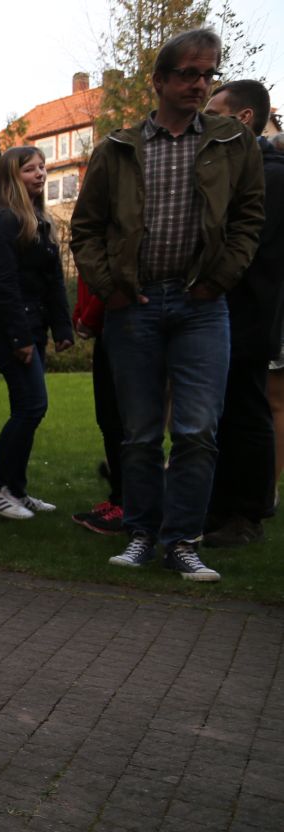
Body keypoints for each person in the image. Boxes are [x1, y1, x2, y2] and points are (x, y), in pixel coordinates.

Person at [71, 28, 265, 582]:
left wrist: (219, 279)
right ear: (159, 80)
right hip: (135, 305)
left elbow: (250, 219)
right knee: (137, 432)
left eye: (208, 75)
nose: (200, 84)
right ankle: (141, 533)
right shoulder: (118, 149)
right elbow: (85, 230)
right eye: (188, 74)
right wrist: (111, 290)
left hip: (202, 306)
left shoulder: (233, 142)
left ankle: (182, 540)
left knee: (198, 430)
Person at [0, 146, 74, 521]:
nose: (41, 174)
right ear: (12, 177)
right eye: (31, 169)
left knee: (27, 407)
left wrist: (62, 327)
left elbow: (53, 282)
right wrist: (21, 339)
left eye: (43, 168)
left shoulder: (40, 220)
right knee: (32, 406)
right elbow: (4, 285)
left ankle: (15, 488)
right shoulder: (4, 222)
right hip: (5, 328)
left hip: (30, 324)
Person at [203, 79, 284, 548]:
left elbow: (248, 247)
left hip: (249, 314)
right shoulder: (247, 168)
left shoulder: (270, 176)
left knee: (248, 411)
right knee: (226, 413)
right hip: (233, 311)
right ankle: (222, 507)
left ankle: (247, 515)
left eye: (216, 112)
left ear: (243, 118)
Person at [69, 277, 127, 534]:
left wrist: (89, 317)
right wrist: (82, 317)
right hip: (104, 327)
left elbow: (109, 276)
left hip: (121, 323)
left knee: (119, 421)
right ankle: (118, 496)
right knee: (107, 418)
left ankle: (127, 503)